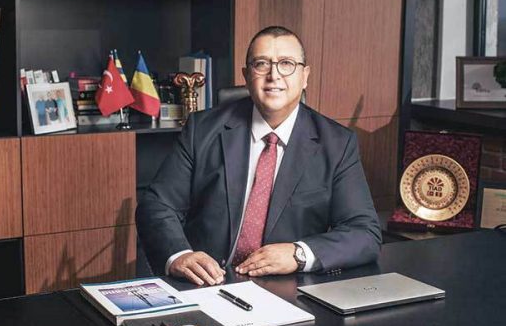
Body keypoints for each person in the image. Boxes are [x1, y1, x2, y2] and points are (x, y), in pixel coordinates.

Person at [136, 26, 381, 286]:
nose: (274, 75)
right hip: (207, 284)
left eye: (286, 64)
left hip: (287, 289)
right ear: (246, 75)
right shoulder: (203, 129)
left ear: (305, 76)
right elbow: (157, 205)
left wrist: (299, 254)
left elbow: (364, 232)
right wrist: (180, 255)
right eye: (262, 64)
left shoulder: (336, 143)